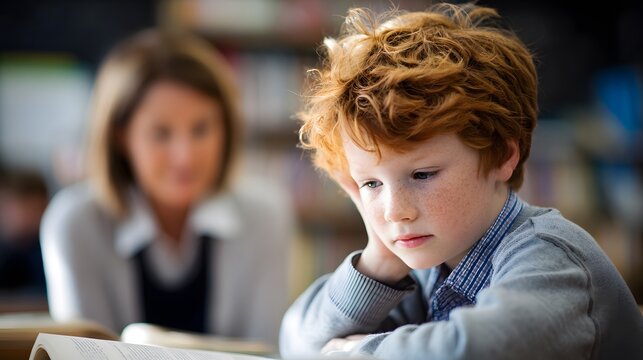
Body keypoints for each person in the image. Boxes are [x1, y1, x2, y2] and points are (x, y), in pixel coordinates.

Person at [280, 3, 643, 359]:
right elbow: (299, 343)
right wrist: (380, 259)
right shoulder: (427, 266)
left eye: (422, 174)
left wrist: (358, 350)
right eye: (371, 184)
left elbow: (475, 350)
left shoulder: (551, 255)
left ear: (503, 156)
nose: (395, 212)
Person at [40, 29, 294, 345]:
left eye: (201, 129)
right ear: (121, 136)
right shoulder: (74, 223)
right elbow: (80, 354)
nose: (184, 156)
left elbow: (266, 351)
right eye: (161, 133)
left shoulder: (265, 215)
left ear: (226, 128)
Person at [0, 168, 48, 295]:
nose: (25, 217)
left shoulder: (47, 252)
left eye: (34, 210)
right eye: (16, 210)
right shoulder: (5, 255)